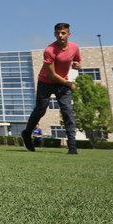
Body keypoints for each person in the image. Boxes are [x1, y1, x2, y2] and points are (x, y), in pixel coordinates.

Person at [21, 22, 81, 155]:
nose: (60, 35)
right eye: (58, 33)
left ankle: (72, 147)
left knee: (67, 112)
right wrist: (69, 83)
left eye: (63, 33)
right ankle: (26, 133)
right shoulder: (49, 50)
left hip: (62, 84)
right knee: (40, 110)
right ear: (54, 34)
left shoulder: (75, 48)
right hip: (46, 82)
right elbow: (52, 75)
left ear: (68, 34)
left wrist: (77, 65)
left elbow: (77, 61)